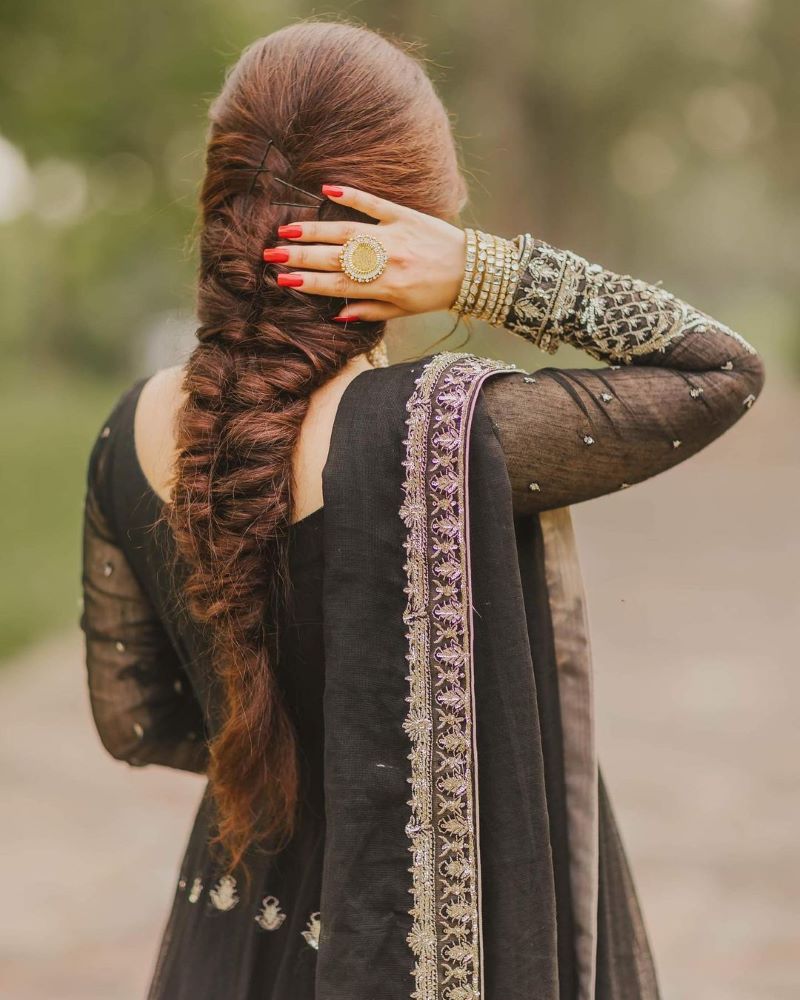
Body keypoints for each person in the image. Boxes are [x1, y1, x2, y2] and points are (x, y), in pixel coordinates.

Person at [79, 19, 765, 1000]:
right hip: (400, 954)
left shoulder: (130, 429)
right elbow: (719, 369)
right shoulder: (445, 434)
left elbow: (134, 719)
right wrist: (487, 271)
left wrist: (281, 749)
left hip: (228, 940)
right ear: (406, 229)